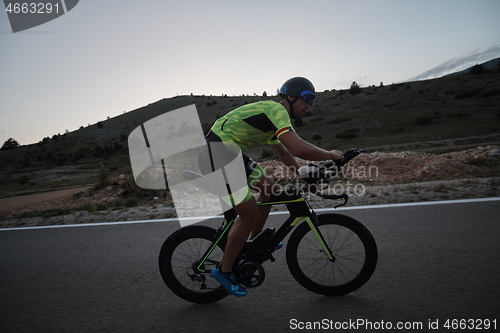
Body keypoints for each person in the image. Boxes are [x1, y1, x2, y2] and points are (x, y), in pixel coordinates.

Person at [200, 77, 344, 297]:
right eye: (307, 98)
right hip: (218, 153)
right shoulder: (276, 110)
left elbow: (285, 153)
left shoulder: (273, 118)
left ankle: (254, 244)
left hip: (229, 152)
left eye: (312, 101)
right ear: (291, 96)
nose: (309, 105)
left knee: (269, 188)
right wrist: (331, 155)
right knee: (249, 215)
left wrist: (301, 175)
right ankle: (224, 270)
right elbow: (299, 149)